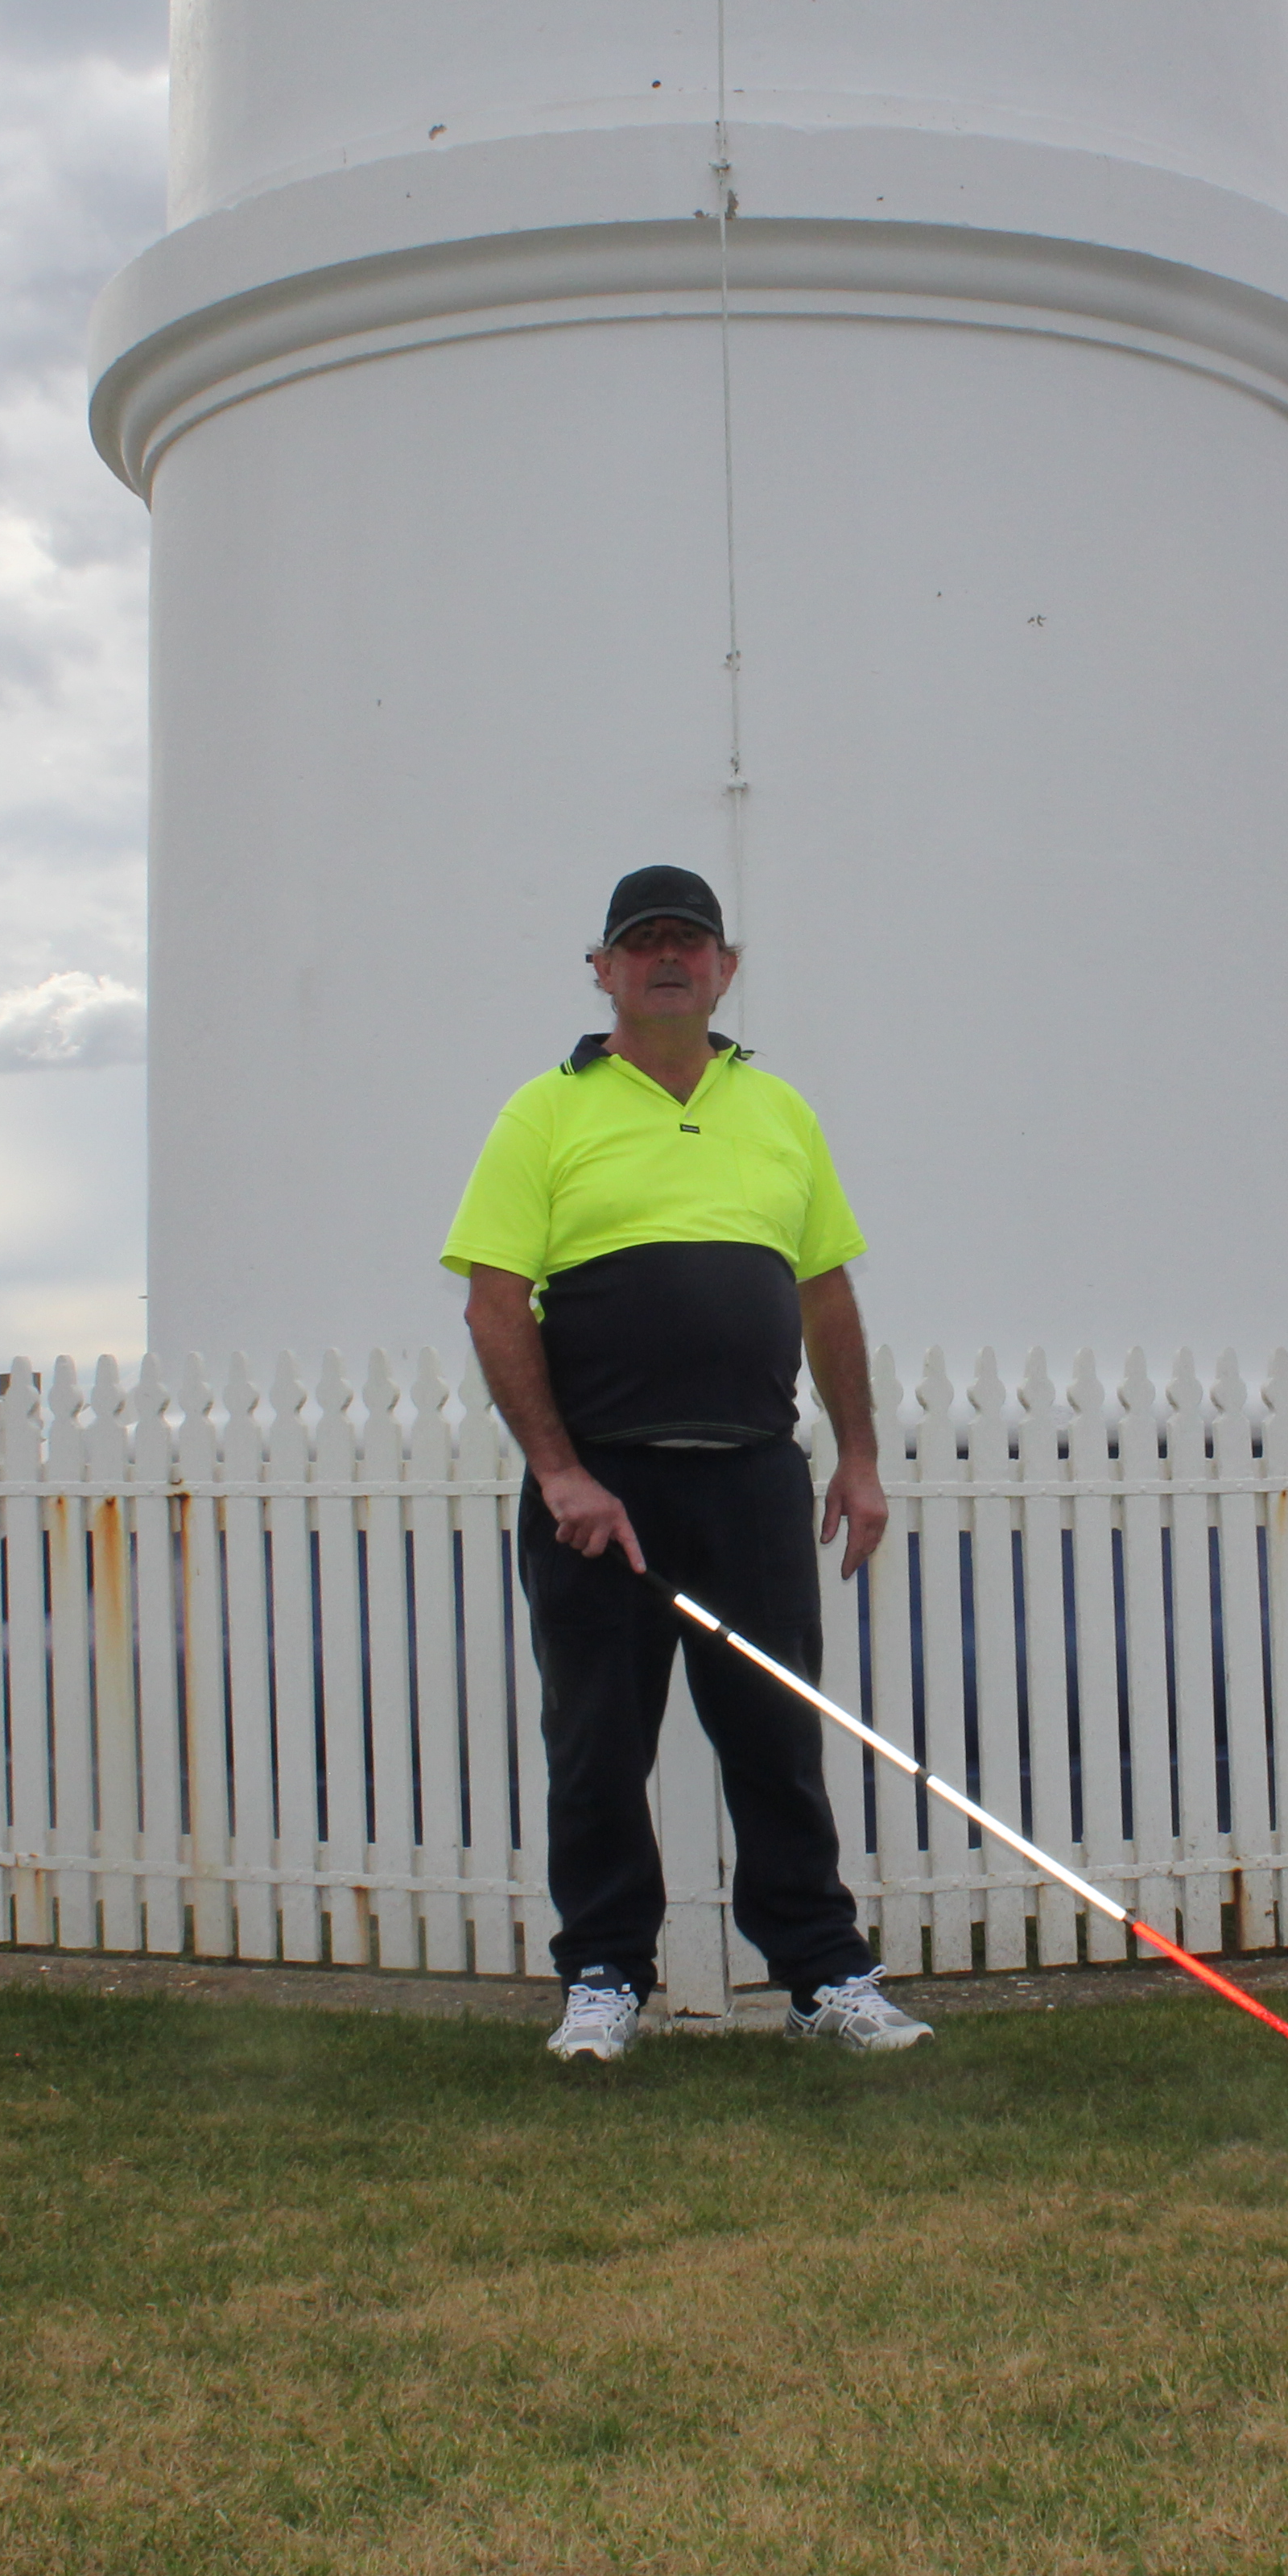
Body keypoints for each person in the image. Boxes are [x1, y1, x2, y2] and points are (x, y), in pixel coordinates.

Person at [440, 863, 932, 2065]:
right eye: (643, 942)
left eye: (690, 942)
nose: (669, 959)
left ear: (726, 966)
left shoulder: (780, 1112)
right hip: (601, 1493)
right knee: (597, 1744)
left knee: (776, 1740)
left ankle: (823, 1979)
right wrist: (560, 1475)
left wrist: (857, 1458)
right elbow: (496, 1303)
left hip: (754, 1481)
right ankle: (605, 1979)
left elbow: (824, 1293)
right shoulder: (543, 1112)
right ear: (601, 970)